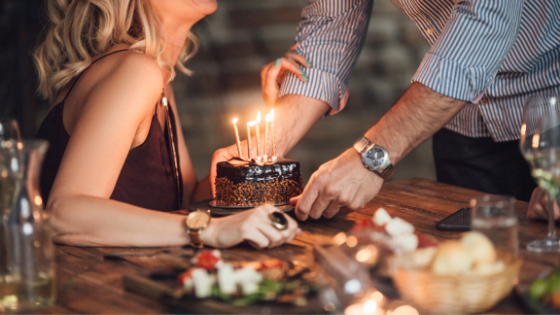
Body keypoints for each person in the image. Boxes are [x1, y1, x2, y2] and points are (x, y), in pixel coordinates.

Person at [212, 0, 560, 221]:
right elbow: (332, 27)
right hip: (464, 121)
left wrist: (370, 158)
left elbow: (486, 22)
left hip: (552, 106)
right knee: (474, 269)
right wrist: (262, 149)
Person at [33, 0, 307, 248]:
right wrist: (210, 230)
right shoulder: (135, 72)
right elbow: (65, 213)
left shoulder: (157, 77)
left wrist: (257, 144)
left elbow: (181, 202)